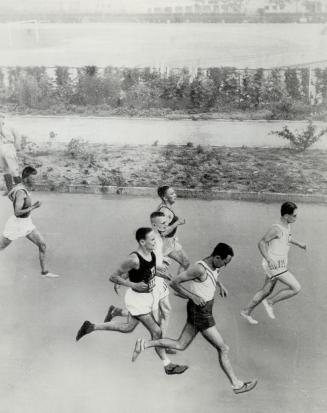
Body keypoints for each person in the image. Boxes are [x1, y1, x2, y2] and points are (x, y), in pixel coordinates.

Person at [132, 243, 257, 395]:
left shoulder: (214, 265)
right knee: (223, 348)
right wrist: (193, 296)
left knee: (180, 344)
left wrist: (220, 285)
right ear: (217, 257)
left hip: (203, 311)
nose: (224, 266)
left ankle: (144, 344)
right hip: (201, 313)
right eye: (224, 262)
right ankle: (236, 385)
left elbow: (213, 275)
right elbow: (174, 282)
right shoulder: (199, 268)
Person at [76, 227, 188, 375]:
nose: (155, 242)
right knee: (157, 330)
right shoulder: (133, 259)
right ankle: (167, 365)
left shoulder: (151, 254)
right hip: (137, 300)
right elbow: (113, 276)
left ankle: (91, 326)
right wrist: (133, 284)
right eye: (152, 239)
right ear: (142, 242)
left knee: (128, 327)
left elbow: (149, 269)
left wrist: (163, 273)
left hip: (147, 298)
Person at [104, 212, 175, 354]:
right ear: (154, 225)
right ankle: (159, 343)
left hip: (158, 279)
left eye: (167, 222)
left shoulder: (160, 238)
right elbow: (139, 264)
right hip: (151, 281)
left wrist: (165, 257)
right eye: (163, 223)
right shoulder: (150, 239)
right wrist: (122, 280)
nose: (166, 225)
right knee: (151, 314)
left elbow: (156, 258)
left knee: (165, 310)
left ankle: (117, 311)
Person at [241, 201, 306, 325]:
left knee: (266, 291)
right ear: (286, 216)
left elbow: (287, 237)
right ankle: (270, 302)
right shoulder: (276, 229)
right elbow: (261, 243)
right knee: (296, 287)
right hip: (274, 265)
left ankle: (245, 311)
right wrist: (269, 259)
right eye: (295, 215)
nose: (296, 218)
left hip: (280, 263)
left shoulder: (287, 226)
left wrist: (299, 244)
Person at [0, 166, 60, 278]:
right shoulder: (21, 192)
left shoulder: (21, 187)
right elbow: (17, 212)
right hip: (16, 225)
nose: (35, 181)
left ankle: (44, 272)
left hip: (27, 223)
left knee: (42, 244)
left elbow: (11, 194)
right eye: (33, 178)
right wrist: (34, 206)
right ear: (26, 178)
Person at [157, 185, 190, 272]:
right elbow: (163, 232)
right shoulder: (165, 211)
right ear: (165, 197)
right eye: (172, 194)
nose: (175, 195)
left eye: (174, 193)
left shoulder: (164, 207)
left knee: (186, 262)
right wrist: (177, 223)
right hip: (165, 244)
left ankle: (176, 283)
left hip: (171, 241)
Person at [0, 113, 21, 192]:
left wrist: (17, 148)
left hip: (9, 146)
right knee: (5, 169)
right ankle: (10, 190)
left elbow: (17, 136)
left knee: (14, 169)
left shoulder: (10, 126)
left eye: (1, 117)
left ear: (3, 118)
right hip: (0, 148)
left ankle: (20, 191)